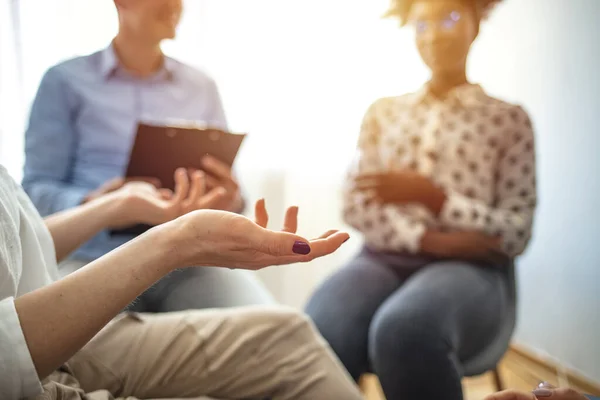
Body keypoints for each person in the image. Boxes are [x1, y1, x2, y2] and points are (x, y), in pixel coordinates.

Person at [305, 0, 537, 399]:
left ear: (476, 24)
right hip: (383, 259)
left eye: (449, 18)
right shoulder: (383, 113)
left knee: (405, 329)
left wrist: (436, 199)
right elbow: (356, 204)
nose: (435, 35)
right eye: (422, 25)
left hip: (471, 271)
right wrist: (432, 240)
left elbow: (514, 233)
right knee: (321, 323)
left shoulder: (508, 119)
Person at [0, 164, 364, 399]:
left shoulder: (198, 84)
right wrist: (177, 241)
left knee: (288, 334)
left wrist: (120, 205)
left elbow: (22, 245)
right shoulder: (66, 81)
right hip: (31, 362)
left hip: (62, 328)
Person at [22, 0, 274, 311]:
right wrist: (96, 203)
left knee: (270, 329)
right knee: (75, 348)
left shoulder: (201, 87)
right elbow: (34, 192)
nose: (177, 5)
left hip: (187, 258)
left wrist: (229, 198)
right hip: (93, 257)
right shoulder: (64, 82)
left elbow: (235, 194)